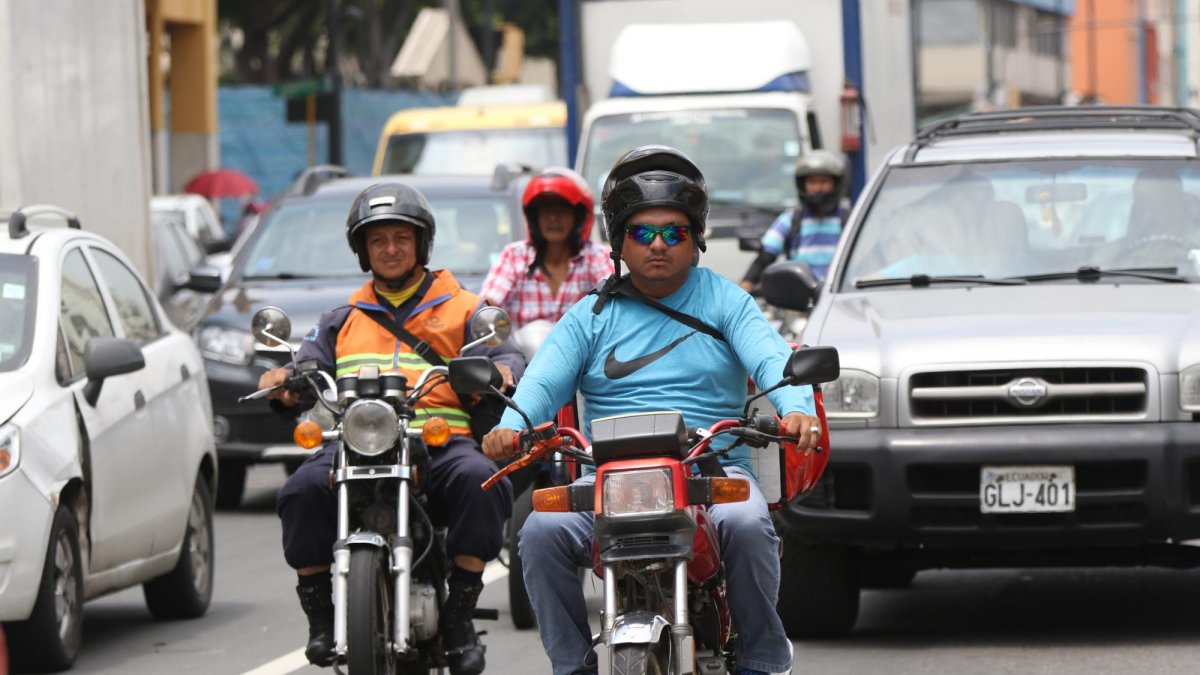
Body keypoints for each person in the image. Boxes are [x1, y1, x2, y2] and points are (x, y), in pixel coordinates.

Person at [481, 146, 822, 675]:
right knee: (538, 535)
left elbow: (772, 357)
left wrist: (796, 407)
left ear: (696, 240)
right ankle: (572, 665)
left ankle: (760, 658)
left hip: (712, 471)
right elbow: (543, 380)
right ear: (618, 241)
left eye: (674, 233)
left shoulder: (728, 301)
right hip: (606, 480)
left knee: (751, 524)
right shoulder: (590, 313)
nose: (658, 245)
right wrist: (510, 426)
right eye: (642, 233)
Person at [258, 182, 523, 673]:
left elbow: (505, 353)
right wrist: (283, 380)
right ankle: (320, 618)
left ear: (421, 244)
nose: (391, 249)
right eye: (378, 240)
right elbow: (307, 367)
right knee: (299, 490)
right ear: (363, 250)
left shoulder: (465, 308)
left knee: (479, 482)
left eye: (401, 237)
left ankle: (460, 615)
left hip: (440, 441)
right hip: (355, 443)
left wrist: (502, 369)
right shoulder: (342, 317)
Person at [479, 167, 613, 330]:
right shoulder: (514, 255)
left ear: (577, 217)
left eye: (561, 211)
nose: (553, 218)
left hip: (583, 353)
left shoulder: (597, 256)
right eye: (546, 211)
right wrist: (484, 312)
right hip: (523, 354)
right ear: (534, 218)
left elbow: (614, 304)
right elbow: (488, 303)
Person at [739, 150, 849, 290]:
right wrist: (745, 285)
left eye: (824, 182)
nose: (818, 188)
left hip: (839, 294)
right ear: (802, 185)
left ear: (836, 184)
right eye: (812, 182)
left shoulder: (848, 219)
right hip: (800, 299)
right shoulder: (791, 219)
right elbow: (766, 257)